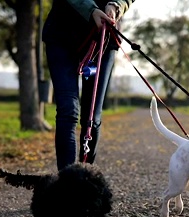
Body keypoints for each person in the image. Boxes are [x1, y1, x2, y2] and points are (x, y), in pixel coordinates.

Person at [42, 0, 134, 171]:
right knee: (68, 110)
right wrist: (90, 10)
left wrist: (116, 5)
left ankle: (85, 179)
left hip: (104, 37)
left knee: (91, 117)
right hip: (62, 33)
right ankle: (67, 183)